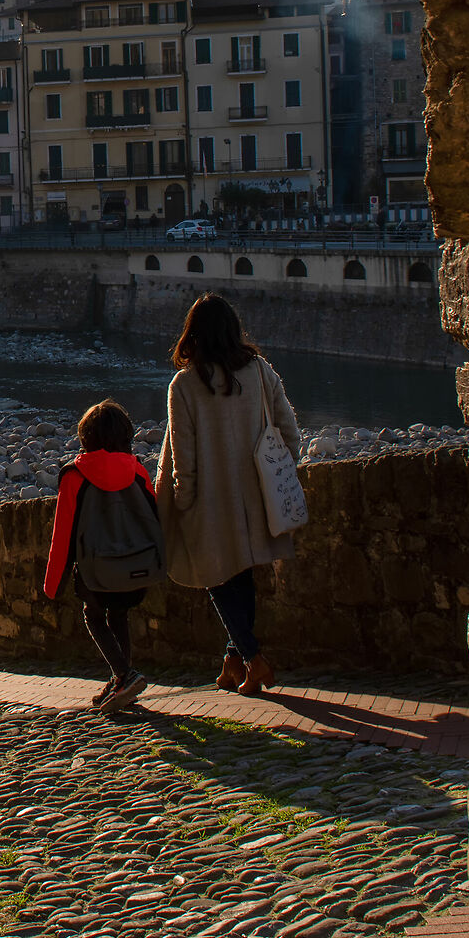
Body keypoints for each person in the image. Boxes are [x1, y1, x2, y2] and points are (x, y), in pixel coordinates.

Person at [156, 293, 302, 694]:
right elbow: (289, 431)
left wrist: (182, 503)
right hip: (256, 494)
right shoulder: (258, 370)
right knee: (241, 576)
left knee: (215, 577)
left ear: (193, 334)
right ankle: (233, 664)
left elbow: (184, 457)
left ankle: (253, 659)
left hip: (209, 501)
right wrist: (278, 470)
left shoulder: (184, 385)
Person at [42, 399, 162, 712]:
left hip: (96, 570)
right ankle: (121, 679)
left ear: (87, 437)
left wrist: (53, 584)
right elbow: (155, 514)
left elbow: (63, 534)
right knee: (119, 613)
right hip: (136, 565)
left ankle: (124, 674)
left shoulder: (75, 476)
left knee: (93, 615)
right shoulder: (136, 470)